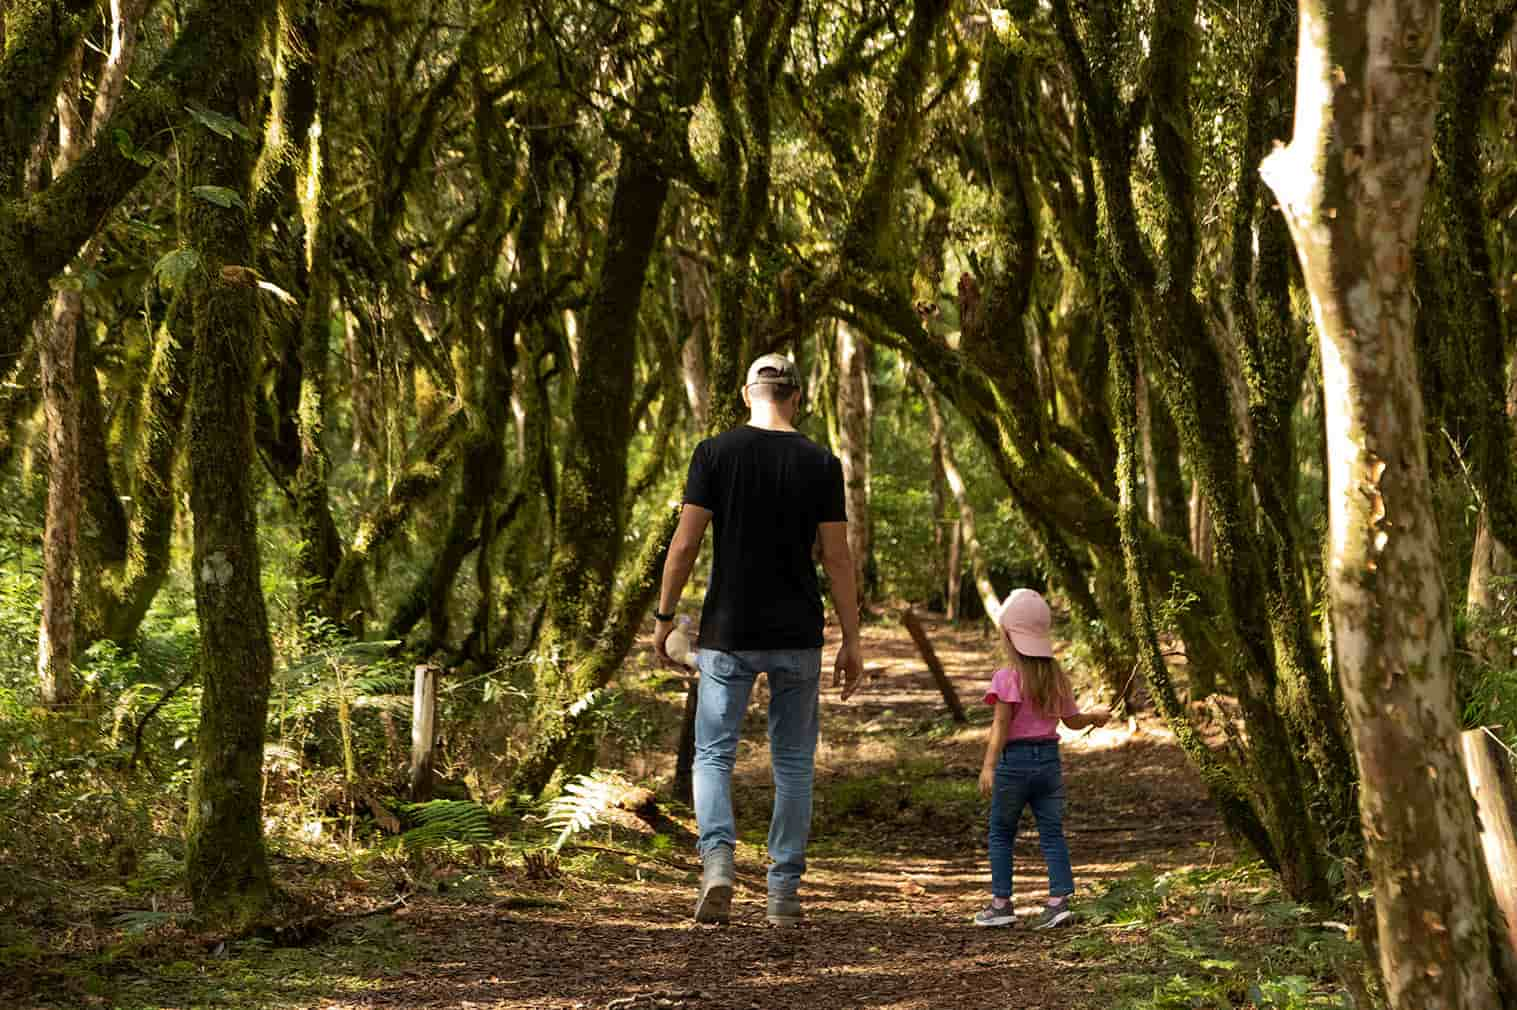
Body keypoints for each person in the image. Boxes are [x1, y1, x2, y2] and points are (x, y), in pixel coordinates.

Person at [653, 352, 864, 928]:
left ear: (748, 395)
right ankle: (782, 893)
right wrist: (852, 638)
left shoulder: (715, 454)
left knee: (714, 754)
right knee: (793, 761)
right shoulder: (822, 462)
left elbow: (685, 545)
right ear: (797, 397)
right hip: (798, 632)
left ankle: (718, 861)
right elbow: (839, 559)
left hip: (729, 631)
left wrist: (665, 615)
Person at [974, 588, 1108, 929]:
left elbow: (1001, 724)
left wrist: (989, 765)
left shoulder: (1007, 678)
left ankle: (1001, 904)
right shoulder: (1056, 676)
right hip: (1049, 762)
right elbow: (1072, 721)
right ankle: (1058, 901)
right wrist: (1094, 716)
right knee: (1052, 832)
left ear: (1007, 634)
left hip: (1013, 763)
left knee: (1002, 832)